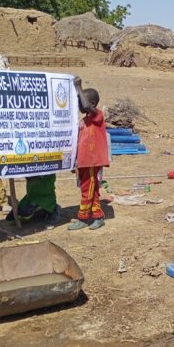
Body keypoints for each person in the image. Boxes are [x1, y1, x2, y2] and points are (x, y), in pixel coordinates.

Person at [68, 77, 110, 231]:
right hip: (84, 162)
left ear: (92, 104)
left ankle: (84, 217)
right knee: (91, 189)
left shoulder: (97, 115)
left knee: (88, 189)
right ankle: (98, 216)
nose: (80, 105)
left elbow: (86, 105)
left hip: (93, 161)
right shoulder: (83, 121)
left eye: (82, 101)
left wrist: (78, 87)